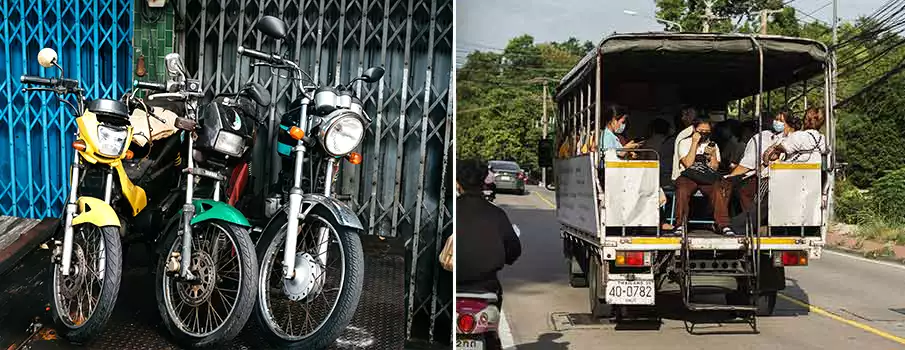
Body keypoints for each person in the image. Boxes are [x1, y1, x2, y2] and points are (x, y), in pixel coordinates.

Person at [456, 158, 521, 306]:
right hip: (486, 288)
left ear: (458, 184)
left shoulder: (451, 213)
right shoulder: (497, 214)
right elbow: (514, 251)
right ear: (484, 182)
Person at [726, 109, 801, 219]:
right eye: (775, 119)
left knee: (745, 191)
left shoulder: (793, 139)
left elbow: (760, 160)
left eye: (780, 120)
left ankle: (750, 222)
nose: (776, 123)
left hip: (777, 177)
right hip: (766, 174)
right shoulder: (768, 136)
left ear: (789, 124)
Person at [673, 119, 734, 236]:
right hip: (688, 175)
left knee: (718, 189)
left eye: (707, 132)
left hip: (707, 176)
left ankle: (723, 224)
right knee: (682, 190)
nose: (704, 134)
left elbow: (714, 167)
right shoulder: (684, 142)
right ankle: (680, 224)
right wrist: (695, 143)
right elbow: (688, 164)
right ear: (695, 130)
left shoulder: (713, 144)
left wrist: (713, 155)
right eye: (701, 131)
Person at [670, 106, 698, 181]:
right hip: (686, 176)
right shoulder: (685, 134)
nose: (683, 118)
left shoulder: (691, 132)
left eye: (686, 115)